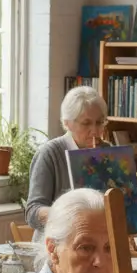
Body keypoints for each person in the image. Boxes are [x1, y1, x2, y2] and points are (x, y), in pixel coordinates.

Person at [24, 86, 110, 234]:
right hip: (58, 245)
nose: (95, 131)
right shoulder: (50, 153)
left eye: (100, 122)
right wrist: (68, 215)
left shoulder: (108, 152)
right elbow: (32, 212)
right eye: (86, 123)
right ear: (67, 123)